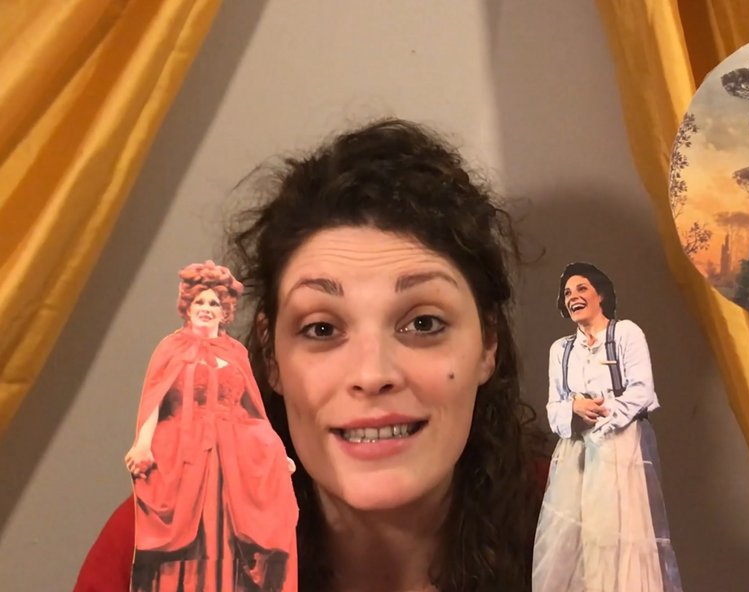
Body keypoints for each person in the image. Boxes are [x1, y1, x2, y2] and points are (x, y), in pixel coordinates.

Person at [75, 118, 544, 592]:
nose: (372, 374)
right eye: (321, 329)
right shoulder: (156, 543)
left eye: (423, 324)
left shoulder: (581, 524)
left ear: (488, 342)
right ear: (271, 356)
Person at [124, 260, 298, 592]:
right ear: (188, 306)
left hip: (232, 452)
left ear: (225, 310)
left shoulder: (235, 352)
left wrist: (277, 452)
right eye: (200, 301)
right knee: (191, 529)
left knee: (230, 526)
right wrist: (143, 443)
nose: (206, 308)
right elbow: (154, 398)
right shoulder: (171, 347)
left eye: (214, 303)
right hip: (183, 450)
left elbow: (252, 409)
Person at [531, 262, 682, 592]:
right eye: (567, 293)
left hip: (620, 447)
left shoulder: (625, 333)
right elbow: (554, 407)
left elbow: (642, 391)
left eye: (582, 288)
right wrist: (574, 408)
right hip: (575, 456)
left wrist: (603, 414)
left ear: (600, 295)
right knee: (575, 538)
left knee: (620, 534)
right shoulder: (561, 350)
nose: (573, 297)